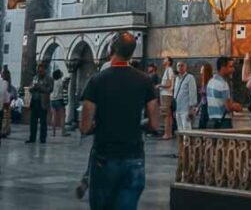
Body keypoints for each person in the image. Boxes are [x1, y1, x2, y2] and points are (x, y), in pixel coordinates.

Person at [80, 31, 159, 210]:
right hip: (134, 158)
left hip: (105, 157)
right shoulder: (145, 81)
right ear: (131, 53)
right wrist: (138, 124)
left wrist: (97, 125)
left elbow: (85, 126)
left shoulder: (96, 81)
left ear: (110, 50)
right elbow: (154, 123)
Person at [206, 57, 242, 128]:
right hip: (223, 122)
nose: (233, 69)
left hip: (212, 121)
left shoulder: (210, 81)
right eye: (230, 67)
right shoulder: (223, 84)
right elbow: (228, 107)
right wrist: (237, 107)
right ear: (223, 67)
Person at [26, 61, 53, 144]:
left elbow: (50, 89)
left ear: (44, 70)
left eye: (41, 70)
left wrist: (40, 87)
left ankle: (42, 138)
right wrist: (32, 88)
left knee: (43, 122)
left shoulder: (48, 79)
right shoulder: (35, 78)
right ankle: (32, 138)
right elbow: (30, 87)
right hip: (34, 101)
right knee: (33, 121)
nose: (39, 72)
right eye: (38, 70)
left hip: (43, 102)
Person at [173, 61, 197, 132]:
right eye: (178, 66)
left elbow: (192, 93)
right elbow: (175, 93)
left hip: (186, 109)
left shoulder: (190, 78)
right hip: (178, 108)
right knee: (180, 129)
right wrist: (174, 109)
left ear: (186, 67)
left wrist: (191, 108)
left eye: (182, 65)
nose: (180, 67)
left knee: (186, 128)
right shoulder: (177, 78)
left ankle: (187, 143)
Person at [159, 56, 175, 140]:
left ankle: (166, 133)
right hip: (166, 94)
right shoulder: (167, 70)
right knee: (168, 114)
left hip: (166, 94)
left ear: (168, 62)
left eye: (165, 59)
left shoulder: (169, 70)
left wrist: (160, 85)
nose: (163, 60)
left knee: (166, 115)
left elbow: (169, 84)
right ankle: (169, 133)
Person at [50, 68, 68, 137]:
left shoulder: (52, 81)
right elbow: (65, 86)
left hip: (52, 100)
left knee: (53, 116)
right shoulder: (61, 81)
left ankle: (53, 132)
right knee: (62, 116)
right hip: (59, 99)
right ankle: (63, 132)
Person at [196, 63, 213, 129]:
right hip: (204, 105)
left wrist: (204, 92)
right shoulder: (203, 81)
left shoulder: (210, 81)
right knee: (202, 124)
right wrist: (198, 107)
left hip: (208, 105)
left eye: (202, 69)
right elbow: (202, 98)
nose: (200, 71)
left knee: (204, 124)